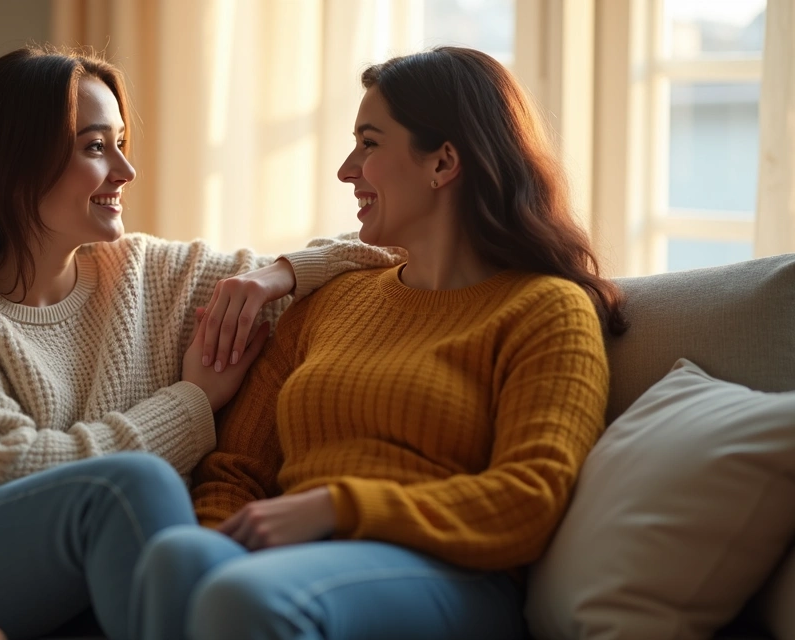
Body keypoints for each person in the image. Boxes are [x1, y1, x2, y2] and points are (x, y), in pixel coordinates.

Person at [0, 45, 400, 640]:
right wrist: (191, 402)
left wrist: (280, 273)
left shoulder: (147, 273)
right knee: (137, 486)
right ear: (14, 164)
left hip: (65, 575)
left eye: (120, 143)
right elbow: (5, 472)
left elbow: (392, 250)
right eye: (96, 147)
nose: (125, 170)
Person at [131, 46, 628, 640]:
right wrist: (224, 546)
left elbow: (529, 498)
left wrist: (336, 507)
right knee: (177, 557)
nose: (346, 169)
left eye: (370, 143)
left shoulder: (546, 309)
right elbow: (237, 471)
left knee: (246, 594)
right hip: (294, 565)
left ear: (443, 163)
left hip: (453, 574)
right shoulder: (333, 301)